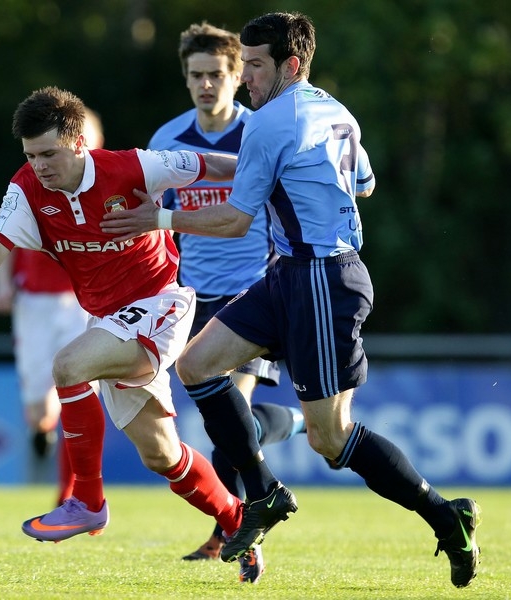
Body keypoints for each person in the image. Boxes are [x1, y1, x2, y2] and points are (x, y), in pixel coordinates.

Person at [101, 11, 482, 588]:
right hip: (287, 274)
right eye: (245, 63)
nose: (245, 76)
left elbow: (233, 220)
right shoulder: (334, 108)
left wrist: (157, 216)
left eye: (255, 65)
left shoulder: (270, 122)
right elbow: (365, 184)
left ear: (291, 65)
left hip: (323, 280)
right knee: (198, 365)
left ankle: (444, 516)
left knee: (331, 439)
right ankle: (265, 493)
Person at [0, 86, 265, 583]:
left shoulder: (135, 167)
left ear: (80, 143)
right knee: (161, 455)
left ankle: (88, 501)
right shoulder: (26, 189)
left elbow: (216, 166)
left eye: (49, 154)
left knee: (68, 366)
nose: (40, 166)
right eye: (31, 156)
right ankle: (236, 521)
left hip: (163, 304)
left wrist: (269, 172)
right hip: (109, 322)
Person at [147, 22, 306, 572]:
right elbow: (152, 223)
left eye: (217, 74)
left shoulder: (261, 133)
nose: (207, 85)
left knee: (223, 428)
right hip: (189, 297)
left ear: (239, 76)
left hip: (255, 293)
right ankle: (301, 424)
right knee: (233, 421)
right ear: (186, 79)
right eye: (197, 76)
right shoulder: (167, 140)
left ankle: (235, 535)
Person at [0, 108, 104, 506]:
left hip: (78, 304)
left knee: (75, 389)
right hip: (33, 305)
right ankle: (44, 431)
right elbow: (2, 241)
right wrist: (2, 285)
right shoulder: (29, 187)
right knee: (39, 412)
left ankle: (69, 496)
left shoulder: (105, 187)